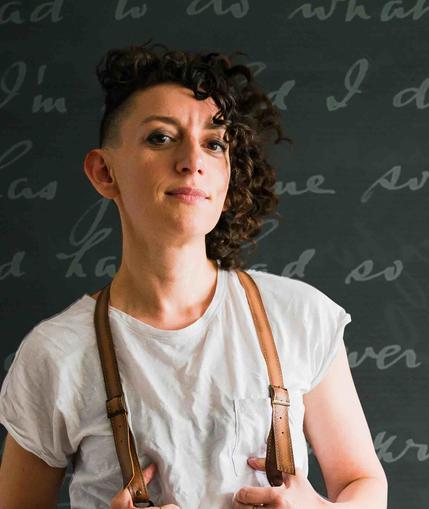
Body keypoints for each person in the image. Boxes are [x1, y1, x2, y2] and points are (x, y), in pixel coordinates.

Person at [0, 41, 387, 509]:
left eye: (214, 143)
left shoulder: (299, 314)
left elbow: (364, 484)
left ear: (226, 177)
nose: (192, 160)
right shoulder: (54, 354)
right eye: (160, 138)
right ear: (105, 172)